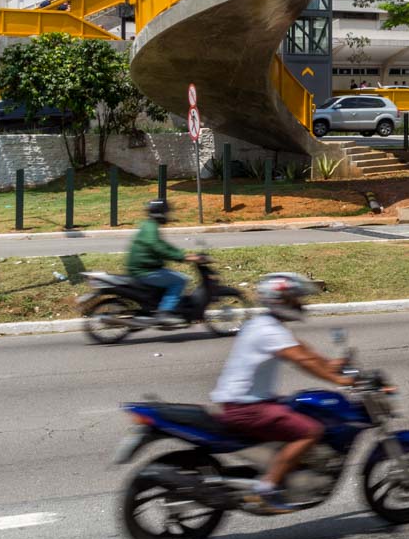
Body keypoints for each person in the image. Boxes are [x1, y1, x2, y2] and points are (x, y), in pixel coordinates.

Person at [208, 272, 354, 514]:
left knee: (298, 407)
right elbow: (301, 360)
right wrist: (339, 379)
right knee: (310, 432)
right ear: (280, 301)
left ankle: (285, 471)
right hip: (245, 407)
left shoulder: (265, 324)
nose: (301, 304)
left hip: (244, 401)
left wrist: (331, 364)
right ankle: (265, 489)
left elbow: (304, 351)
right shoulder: (269, 331)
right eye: (295, 299)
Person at [125, 199, 192, 326]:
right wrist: (181, 257)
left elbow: (162, 245)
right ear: (159, 213)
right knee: (179, 280)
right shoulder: (151, 228)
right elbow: (158, 247)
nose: (168, 216)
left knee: (171, 276)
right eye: (166, 213)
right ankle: (165, 313)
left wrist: (182, 254)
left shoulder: (148, 225)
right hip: (145, 270)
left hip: (143, 267)